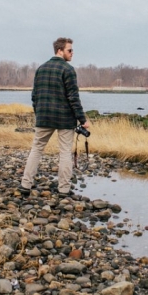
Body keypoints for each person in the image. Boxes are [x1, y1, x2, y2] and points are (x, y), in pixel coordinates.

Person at [19, 37, 90, 197]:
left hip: (44, 117)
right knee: (65, 152)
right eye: (69, 50)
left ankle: (25, 185)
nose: (72, 53)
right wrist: (83, 120)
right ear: (60, 50)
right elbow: (73, 97)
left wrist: (39, 113)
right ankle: (63, 189)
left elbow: (34, 96)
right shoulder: (68, 70)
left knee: (36, 149)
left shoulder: (41, 69)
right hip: (64, 119)